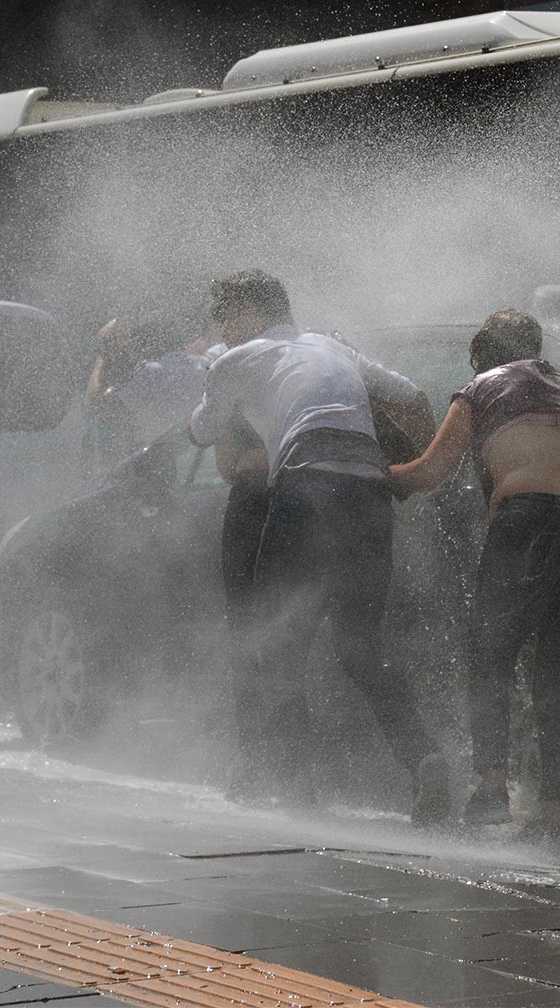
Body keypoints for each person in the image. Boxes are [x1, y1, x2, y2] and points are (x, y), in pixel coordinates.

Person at [187, 269, 446, 817]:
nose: (224, 331)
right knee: (361, 646)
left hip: (306, 484)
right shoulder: (335, 346)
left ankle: (299, 791)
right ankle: (423, 759)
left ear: (253, 314)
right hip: (370, 492)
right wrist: (418, 470)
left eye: (226, 319)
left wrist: (213, 379)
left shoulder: (236, 359)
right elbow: (414, 397)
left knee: (274, 641)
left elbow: (203, 431)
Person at [389, 309, 560, 838]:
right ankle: (555, 817)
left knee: (491, 656)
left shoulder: (481, 387)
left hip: (528, 521)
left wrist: (375, 473)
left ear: (483, 354)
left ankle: (490, 792)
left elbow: (431, 472)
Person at [84, 314, 206, 461]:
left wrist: (103, 352)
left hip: (154, 458)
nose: (129, 354)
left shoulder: (149, 373)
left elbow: (97, 406)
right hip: (189, 456)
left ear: (150, 346)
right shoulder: (200, 366)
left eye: (132, 346)